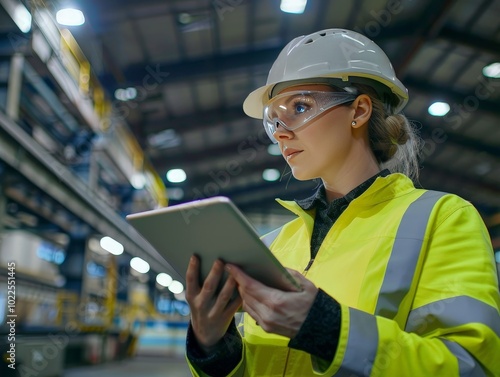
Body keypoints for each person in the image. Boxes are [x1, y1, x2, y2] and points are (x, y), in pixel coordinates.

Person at [184, 28, 500, 376]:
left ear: (359, 110)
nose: (282, 133)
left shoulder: (442, 219)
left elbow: (471, 367)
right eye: (273, 119)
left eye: (299, 107)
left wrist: (328, 329)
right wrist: (214, 346)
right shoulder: (270, 246)